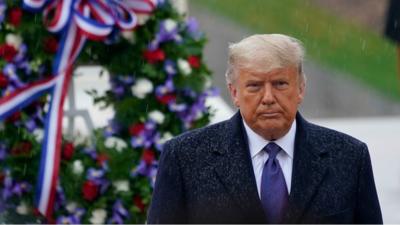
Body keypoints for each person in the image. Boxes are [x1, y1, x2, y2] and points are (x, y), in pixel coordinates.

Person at [147, 34, 383, 224]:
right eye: (255, 86)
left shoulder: (349, 157)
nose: (268, 97)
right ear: (234, 92)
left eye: (280, 84)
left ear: (301, 88)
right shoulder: (185, 157)